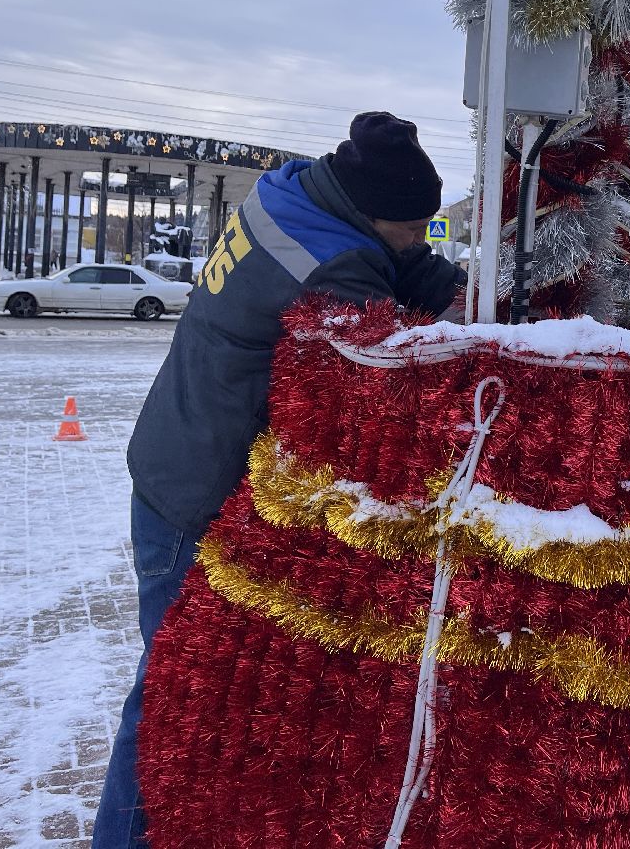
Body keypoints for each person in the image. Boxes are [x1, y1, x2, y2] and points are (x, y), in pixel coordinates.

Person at [93, 112, 466, 848]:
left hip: (174, 456)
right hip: (195, 493)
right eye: (410, 226)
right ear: (370, 214)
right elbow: (382, 363)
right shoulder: (332, 268)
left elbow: (394, 262)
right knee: (170, 692)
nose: (417, 239)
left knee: (197, 693)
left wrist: (452, 277)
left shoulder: (290, 193)